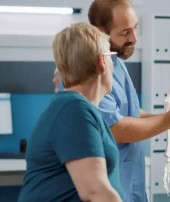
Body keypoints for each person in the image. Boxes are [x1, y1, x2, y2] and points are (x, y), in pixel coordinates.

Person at [88, 1, 170, 201]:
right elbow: (113, 128)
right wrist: (168, 121)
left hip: (129, 183)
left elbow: (127, 113)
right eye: (125, 33)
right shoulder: (90, 70)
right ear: (99, 32)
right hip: (106, 186)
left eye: (135, 28)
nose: (134, 38)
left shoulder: (116, 61)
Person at [18, 22, 123, 202]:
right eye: (111, 57)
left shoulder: (76, 108)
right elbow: (95, 192)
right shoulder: (74, 109)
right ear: (102, 61)